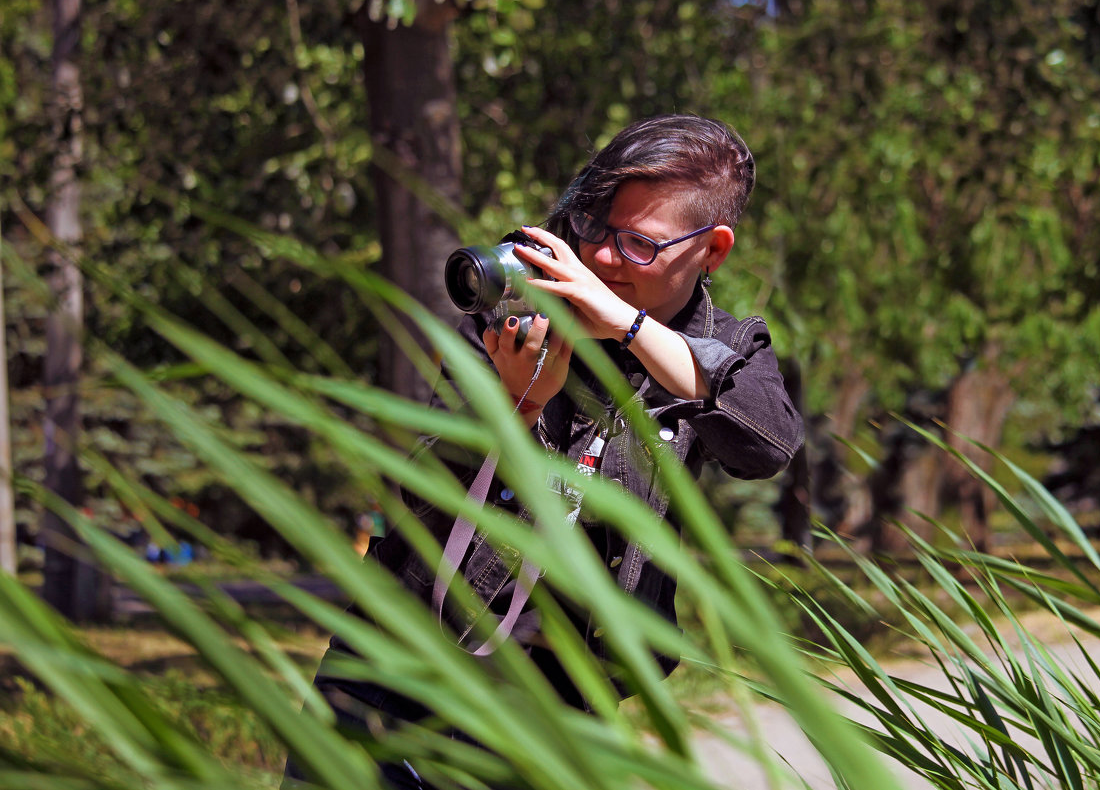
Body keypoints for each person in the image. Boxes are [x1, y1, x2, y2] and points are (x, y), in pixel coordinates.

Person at [284, 114, 804, 788]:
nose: (604, 261)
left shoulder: (725, 346)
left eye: (640, 245)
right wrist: (519, 405)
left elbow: (767, 441)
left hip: (555, 707)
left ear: (711, 250)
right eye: (596, 228)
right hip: (398, 665)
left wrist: (628, 324)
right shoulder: (520, 304)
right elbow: (420, 492)